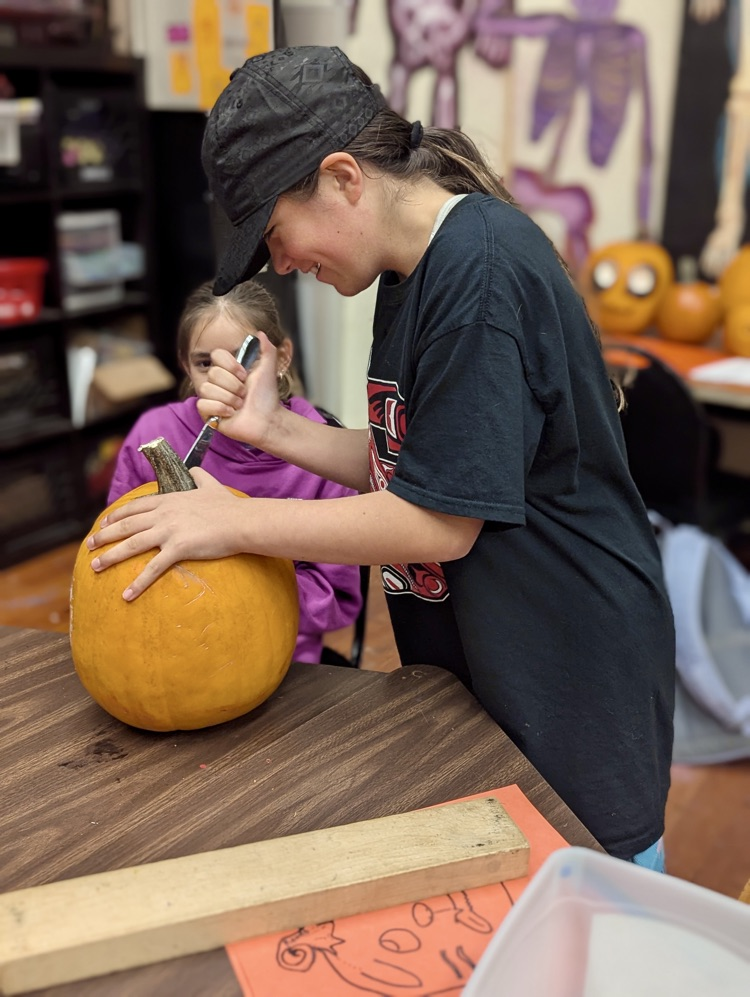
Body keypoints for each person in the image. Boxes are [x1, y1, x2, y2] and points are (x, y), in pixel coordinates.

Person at [87, 46, 675, 866]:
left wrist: (239, 519)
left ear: (342, 178)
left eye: (276, 235)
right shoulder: (408, 272)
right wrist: (279, 430)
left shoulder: (479, 275)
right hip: (490, 670)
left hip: (568, 681)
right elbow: (424, 459)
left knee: (595, 942)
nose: (283, 264)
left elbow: (439, 521)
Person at [106, 278, 363, 665]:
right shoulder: (151, 435)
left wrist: (226, 588)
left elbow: (336, 600)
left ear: (283, 357)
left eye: (245, 357)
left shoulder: (328, 455)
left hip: (282, 662)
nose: (224, 377)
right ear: (184, 365)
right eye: (205, 363)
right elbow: (117, 552)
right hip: (166, 653)